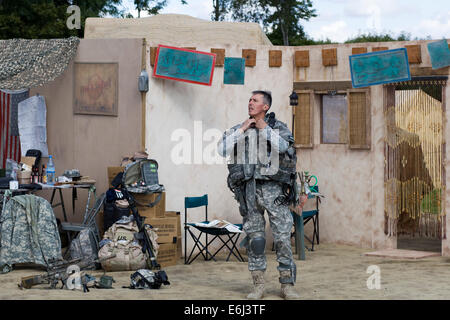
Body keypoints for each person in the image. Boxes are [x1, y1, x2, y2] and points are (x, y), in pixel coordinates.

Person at [217, 90, 299, 300]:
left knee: (282, 238)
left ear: (265, 107)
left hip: (274, 190)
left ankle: (287, 285)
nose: (250, 103)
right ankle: (258, 285)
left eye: (255, 100)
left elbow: (283, 147)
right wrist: (242, 129)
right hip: (249, 191)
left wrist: (264, 129)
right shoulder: (240, 128)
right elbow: (222, 149)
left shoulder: (278, 128)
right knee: (256, 239)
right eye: (249, 100)